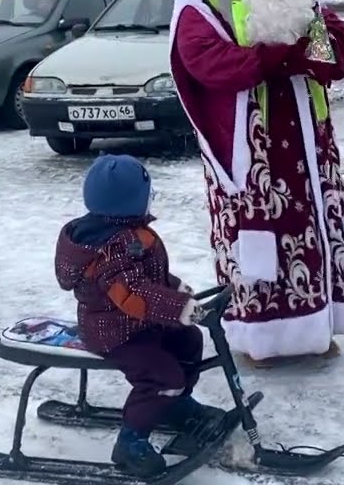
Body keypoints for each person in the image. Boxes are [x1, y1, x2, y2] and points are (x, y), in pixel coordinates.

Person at [168, 0, 344, 367]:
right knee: (257, 237)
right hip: (248, 145)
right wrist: (278, 57)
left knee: (312, 232)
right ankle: (260, 340)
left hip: (306, 142)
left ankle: (315, 329)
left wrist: (316, 52)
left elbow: (332, 45)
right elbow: (204, 60)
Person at [54, 154, 225, 477]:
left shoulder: (127, 234)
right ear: (129, 204)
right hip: (113, 333)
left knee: (188, 340)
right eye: (148, 195)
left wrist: (181, 293)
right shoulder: (111, 249)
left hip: (137, 322)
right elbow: (133, 294)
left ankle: (174, 405)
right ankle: (130, 442)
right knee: (162, 375)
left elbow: (148, 278)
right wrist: (179, 308)